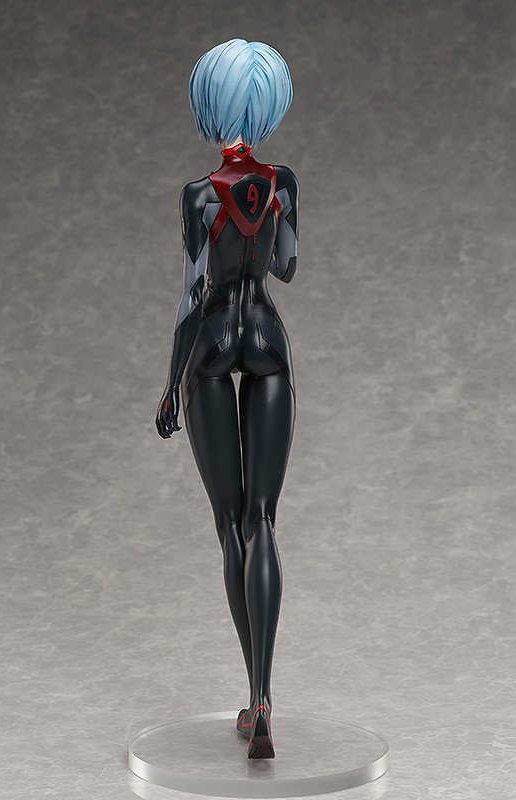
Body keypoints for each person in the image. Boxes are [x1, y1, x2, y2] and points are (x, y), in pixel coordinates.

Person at [155, 39, 298, 759]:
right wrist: (271, 221)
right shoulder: (283, 183)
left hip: (213, 342)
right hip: (267, 338)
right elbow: (287, 266)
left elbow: (190, 298)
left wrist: (168, 385)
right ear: (268, 104)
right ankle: (263, 695)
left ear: (210, 105)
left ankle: (254, 695)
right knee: (263, 518)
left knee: (229, 521)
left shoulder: (198, 194)